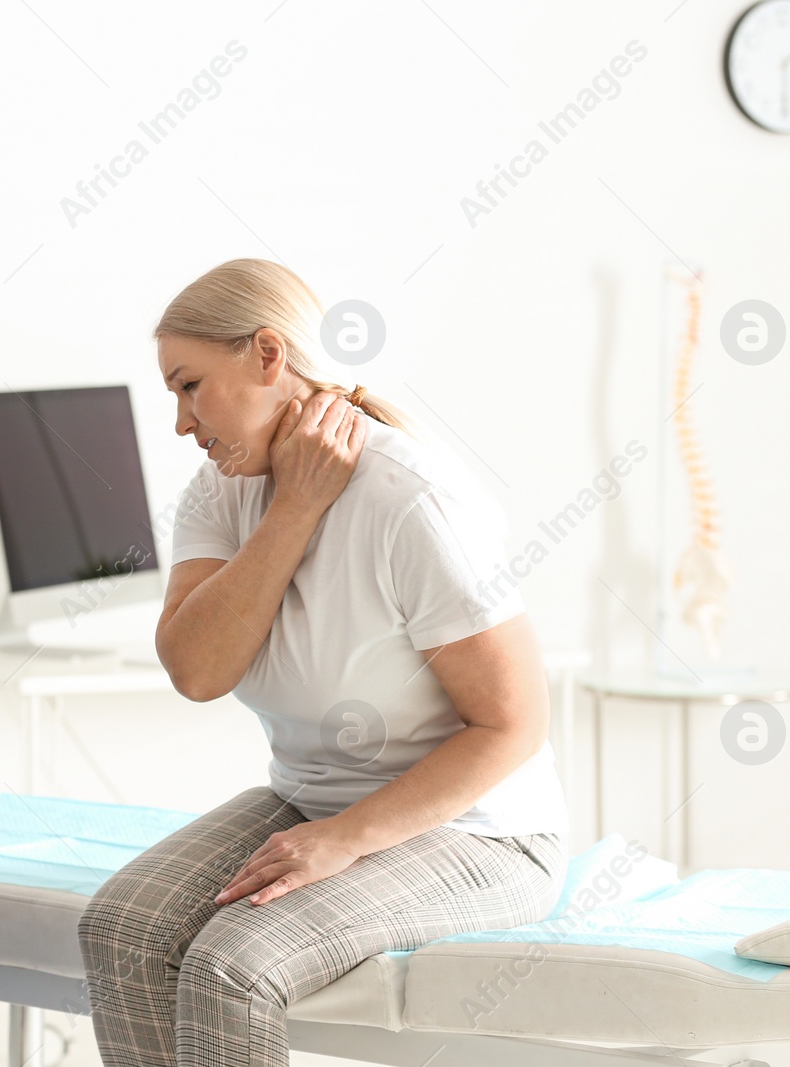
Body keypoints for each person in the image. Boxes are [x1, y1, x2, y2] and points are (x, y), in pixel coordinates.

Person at [78, 260, 571, 1066]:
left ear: (268, 356)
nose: (179, 421)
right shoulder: (222, 490)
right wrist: (295, 509)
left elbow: (514, 724)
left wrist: (347, 837)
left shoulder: (409, 497)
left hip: (483, 834)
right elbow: (197, 671)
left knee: (232, 967)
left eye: (190, 385)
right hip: (316, 805)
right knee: (121, 929)